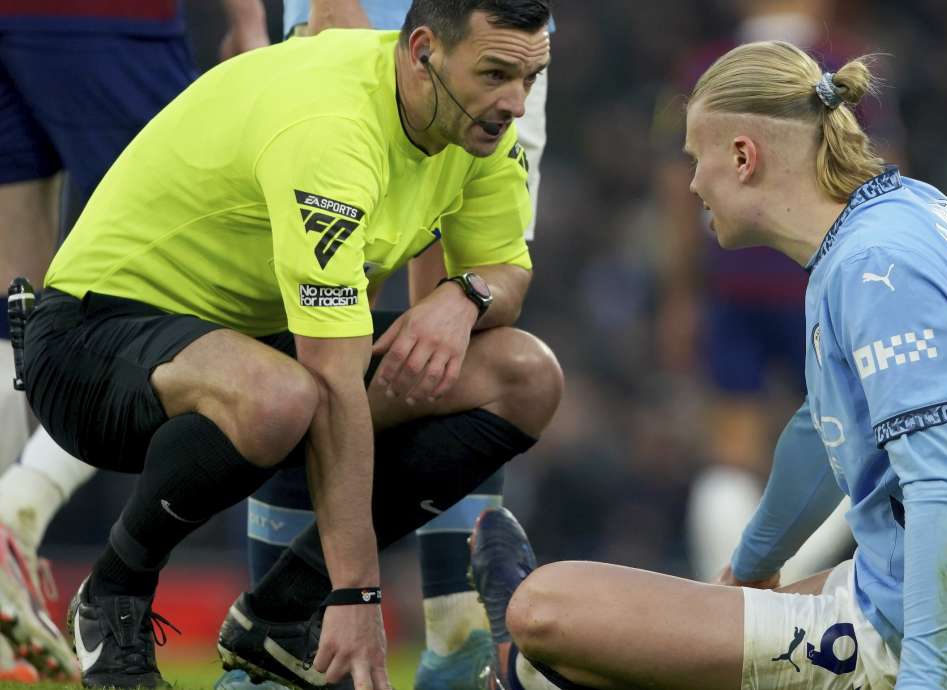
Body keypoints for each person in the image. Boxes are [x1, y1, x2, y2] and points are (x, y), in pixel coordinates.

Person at [468, 40, 947, 690]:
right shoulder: (904, 218)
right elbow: (824, 434)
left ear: (743, 156)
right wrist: (752, 565)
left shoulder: (875, 272)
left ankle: (523, 670)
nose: (690, 185)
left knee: (545, 607)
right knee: (676, 638)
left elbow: (943, 495)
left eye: (695, 159)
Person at [17, 0, 560, 688]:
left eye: (530, 80)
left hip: (253, 348)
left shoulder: (472, 123)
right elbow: (330, 383)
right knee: (286, 395)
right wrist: (358, 595)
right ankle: (115, 594)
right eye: (496, 74)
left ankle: (278, 614)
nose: (514, 102)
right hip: (90, 342)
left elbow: (507, 268)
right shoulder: (333, 131)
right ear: (423, 50)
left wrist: (464, 297)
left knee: (522, 374)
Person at [215, 2, 552, 689]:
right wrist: (305, 32)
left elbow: (496, 283)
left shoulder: (512, 84)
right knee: (324, 347)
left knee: (469, 343)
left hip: (493, 47)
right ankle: (285, 634)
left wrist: (464, 299)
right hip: (369, 52)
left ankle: (454, 636)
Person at [0, 0, 268, 682]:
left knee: (14, 294)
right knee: (161, 275)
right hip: (108, 17)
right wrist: (248, 18)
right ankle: (17, 509)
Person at [651, 0, 903, 583]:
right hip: (825, 279)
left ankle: (729, 601)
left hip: (732, 281)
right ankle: (770, 591)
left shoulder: (703, 68)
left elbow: (673, 190)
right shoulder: (843, 67)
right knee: (847, 447)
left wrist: (681, 294)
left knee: (731, 449)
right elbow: (887, 175)